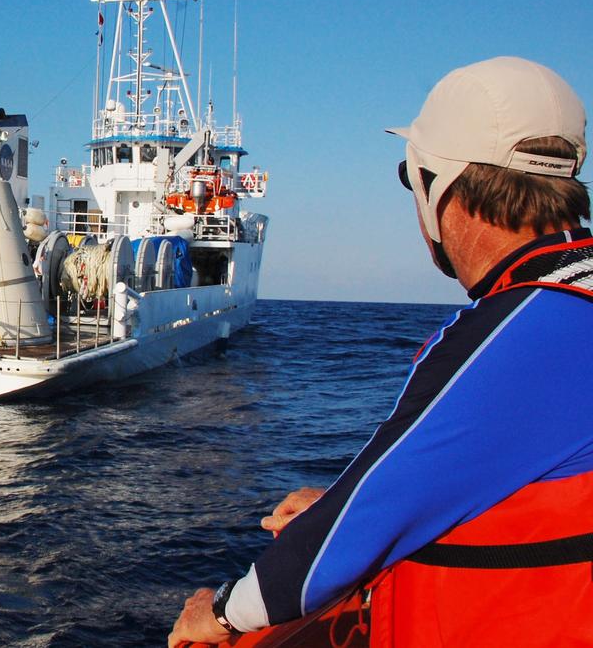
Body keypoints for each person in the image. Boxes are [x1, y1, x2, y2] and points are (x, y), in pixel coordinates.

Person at [167, 56, 593, 647]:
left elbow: (318, 564)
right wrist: (353, 506)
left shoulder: (517, 331)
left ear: (436, 184)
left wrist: (217, 611)